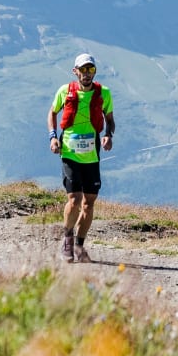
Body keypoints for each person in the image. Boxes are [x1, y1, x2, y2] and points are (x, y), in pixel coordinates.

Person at [49, 52, 115, 263]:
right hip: (69, 151)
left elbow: (110, 119)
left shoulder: (103, 93)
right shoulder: (65, 91)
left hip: (91, 155)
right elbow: (52, 113)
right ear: (75, 71)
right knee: (74, 199)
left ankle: (79, 245)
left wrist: (108, 136)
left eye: (91, 69)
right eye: (83, 70)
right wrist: (52, 138)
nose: (87, 74)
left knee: (89, 203)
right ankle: (67, 238)